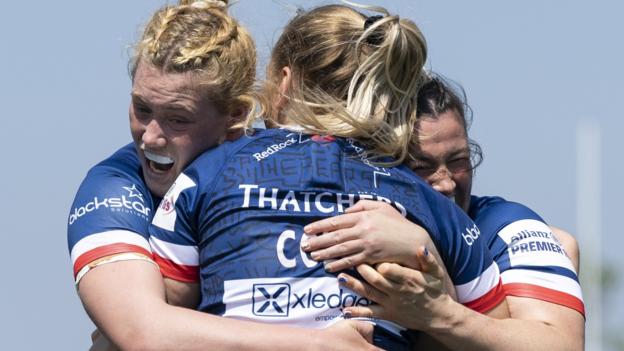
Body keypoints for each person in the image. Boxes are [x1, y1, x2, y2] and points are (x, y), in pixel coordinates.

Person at [148, 5, 507, 351]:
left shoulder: (209, 170)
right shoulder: (419, 192)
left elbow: (161, 314)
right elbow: (495, 327)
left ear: (284, 83)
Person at [67, 1, 379, 350]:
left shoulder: (289, 164)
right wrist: (319, 345)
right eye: (142, 109)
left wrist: (416, 245)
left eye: (177, 119)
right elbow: (141, 333)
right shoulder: (116, 183)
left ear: (235, 116)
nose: (150, 137)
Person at [301, 75, 585, 350]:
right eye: (421, 167)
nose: (447, 182)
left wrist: (439, 314)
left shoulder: (505, 229)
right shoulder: (341, 227)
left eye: (459, 161)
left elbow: (560, 345)